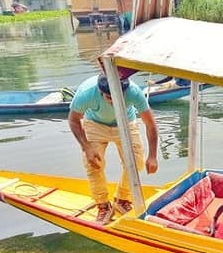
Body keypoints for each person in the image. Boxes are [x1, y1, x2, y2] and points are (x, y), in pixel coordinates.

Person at [68, 74, 159, 224]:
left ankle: (121, 199)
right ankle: (103, 205)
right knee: (93, 164)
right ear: (100, 91)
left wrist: (153, 156)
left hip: (126, 122)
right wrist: (86, 147)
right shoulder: (86, 92)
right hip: (95, 124)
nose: (113, 101)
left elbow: (150, 124)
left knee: (137, 162)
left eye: (117, 97)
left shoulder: (134, 92)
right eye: (109, 97)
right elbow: (73, 119)